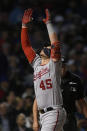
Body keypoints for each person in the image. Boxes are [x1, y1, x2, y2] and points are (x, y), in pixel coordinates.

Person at [21, 8, 66, 131]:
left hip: (54, 111)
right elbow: (25, 46)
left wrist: (48, 23)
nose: (46, 48)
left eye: (48, 47)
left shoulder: (54, 64)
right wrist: (24, 26)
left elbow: (55, 45)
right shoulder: (36, 63)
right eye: (45, 47)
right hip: (43, 115)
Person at [33, 57, 87, 131]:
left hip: (69, 117)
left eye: (63, 66)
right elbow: (37, 101)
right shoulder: (48, 78)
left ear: (66, 66)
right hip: (52, 116)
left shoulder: (75, 79)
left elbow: (82, 102)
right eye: (60, 66)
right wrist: (35, 121)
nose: (62, 69)